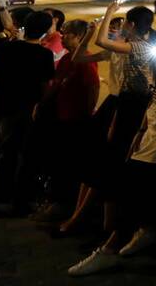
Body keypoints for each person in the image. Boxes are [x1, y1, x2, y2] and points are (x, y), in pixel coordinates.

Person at [68, 27, 156, 276]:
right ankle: (145, 234)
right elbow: (153, 102)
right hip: (152, 142)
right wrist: (140, 133)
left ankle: (114, 249)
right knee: (147, 195)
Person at [0, 11, 56, 217]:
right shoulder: (44, 55)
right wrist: (42, 104)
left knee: (6, 154)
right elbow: (45, 85)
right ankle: (15, 203)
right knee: (23, 157)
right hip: (28, 109)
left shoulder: (9, 47)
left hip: (5, 106)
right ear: (44, 31)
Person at [56, 13, 125, 234]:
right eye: (111, 27)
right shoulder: (112, 52)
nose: (112, 31)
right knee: (92, 165)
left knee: (103, 168)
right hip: (112, 105)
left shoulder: (134, 52)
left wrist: (108, 13)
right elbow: (78, 57)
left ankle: (91, 222)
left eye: (118, 28)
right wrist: (88, 36)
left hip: (122, 107)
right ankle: (78, 216)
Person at [30, 19, 100, 221]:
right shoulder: (68, 59)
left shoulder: (85, 61)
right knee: (58, 163)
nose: (62, 36)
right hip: (62, 117)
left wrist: (86, 115)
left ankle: (63, 207)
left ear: (79, 37)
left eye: (67, 33)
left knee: (68, 165)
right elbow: (56, 85)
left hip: (75, 120)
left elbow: (93, 88)